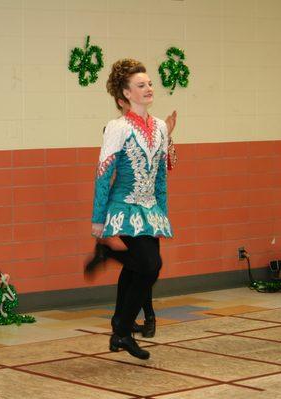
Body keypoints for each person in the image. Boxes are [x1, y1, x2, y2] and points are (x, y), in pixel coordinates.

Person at [90, 59, 173, 359]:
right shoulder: (117, 127)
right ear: (125, 93)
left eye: (149, 84)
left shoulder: (161, 126)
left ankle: (118, 327)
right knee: (150, 266)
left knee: (139, 265)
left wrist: (161, 210)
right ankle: (123, 330)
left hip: (150, 210)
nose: (149, 88)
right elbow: (103, 173)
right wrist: (98, 219)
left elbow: (161, 173)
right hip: (123, 207)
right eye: (141, 85)